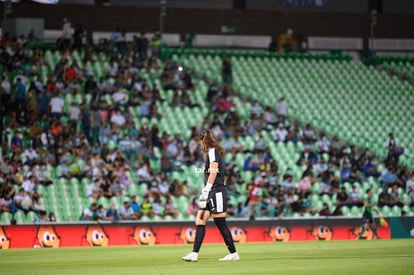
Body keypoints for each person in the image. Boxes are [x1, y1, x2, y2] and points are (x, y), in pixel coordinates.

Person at [182, 130, 239, 262]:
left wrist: (206, 189)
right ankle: (194, 253)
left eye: (200, 142)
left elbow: (213, 170)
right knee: (200, 220)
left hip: (216, 191)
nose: (200, 145)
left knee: (220, 223)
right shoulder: (212, 152)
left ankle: (233, 253)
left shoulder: (212, 151)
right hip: (211, 192)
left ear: (203, 141)